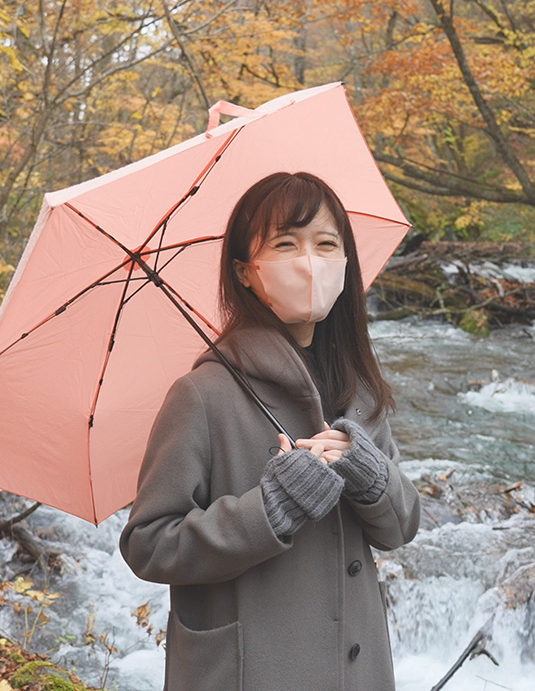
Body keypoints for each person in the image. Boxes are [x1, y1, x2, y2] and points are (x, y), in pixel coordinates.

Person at [119, 171, 421, 691]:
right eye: (286, 243)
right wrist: (271, 508)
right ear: (245, 271)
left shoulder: (361, 391)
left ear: (346, 264)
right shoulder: (203, 395)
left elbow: (401, 529)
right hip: (249, 672)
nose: (310, 261)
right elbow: (148, 545)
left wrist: (372, 476)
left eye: (327, 244)